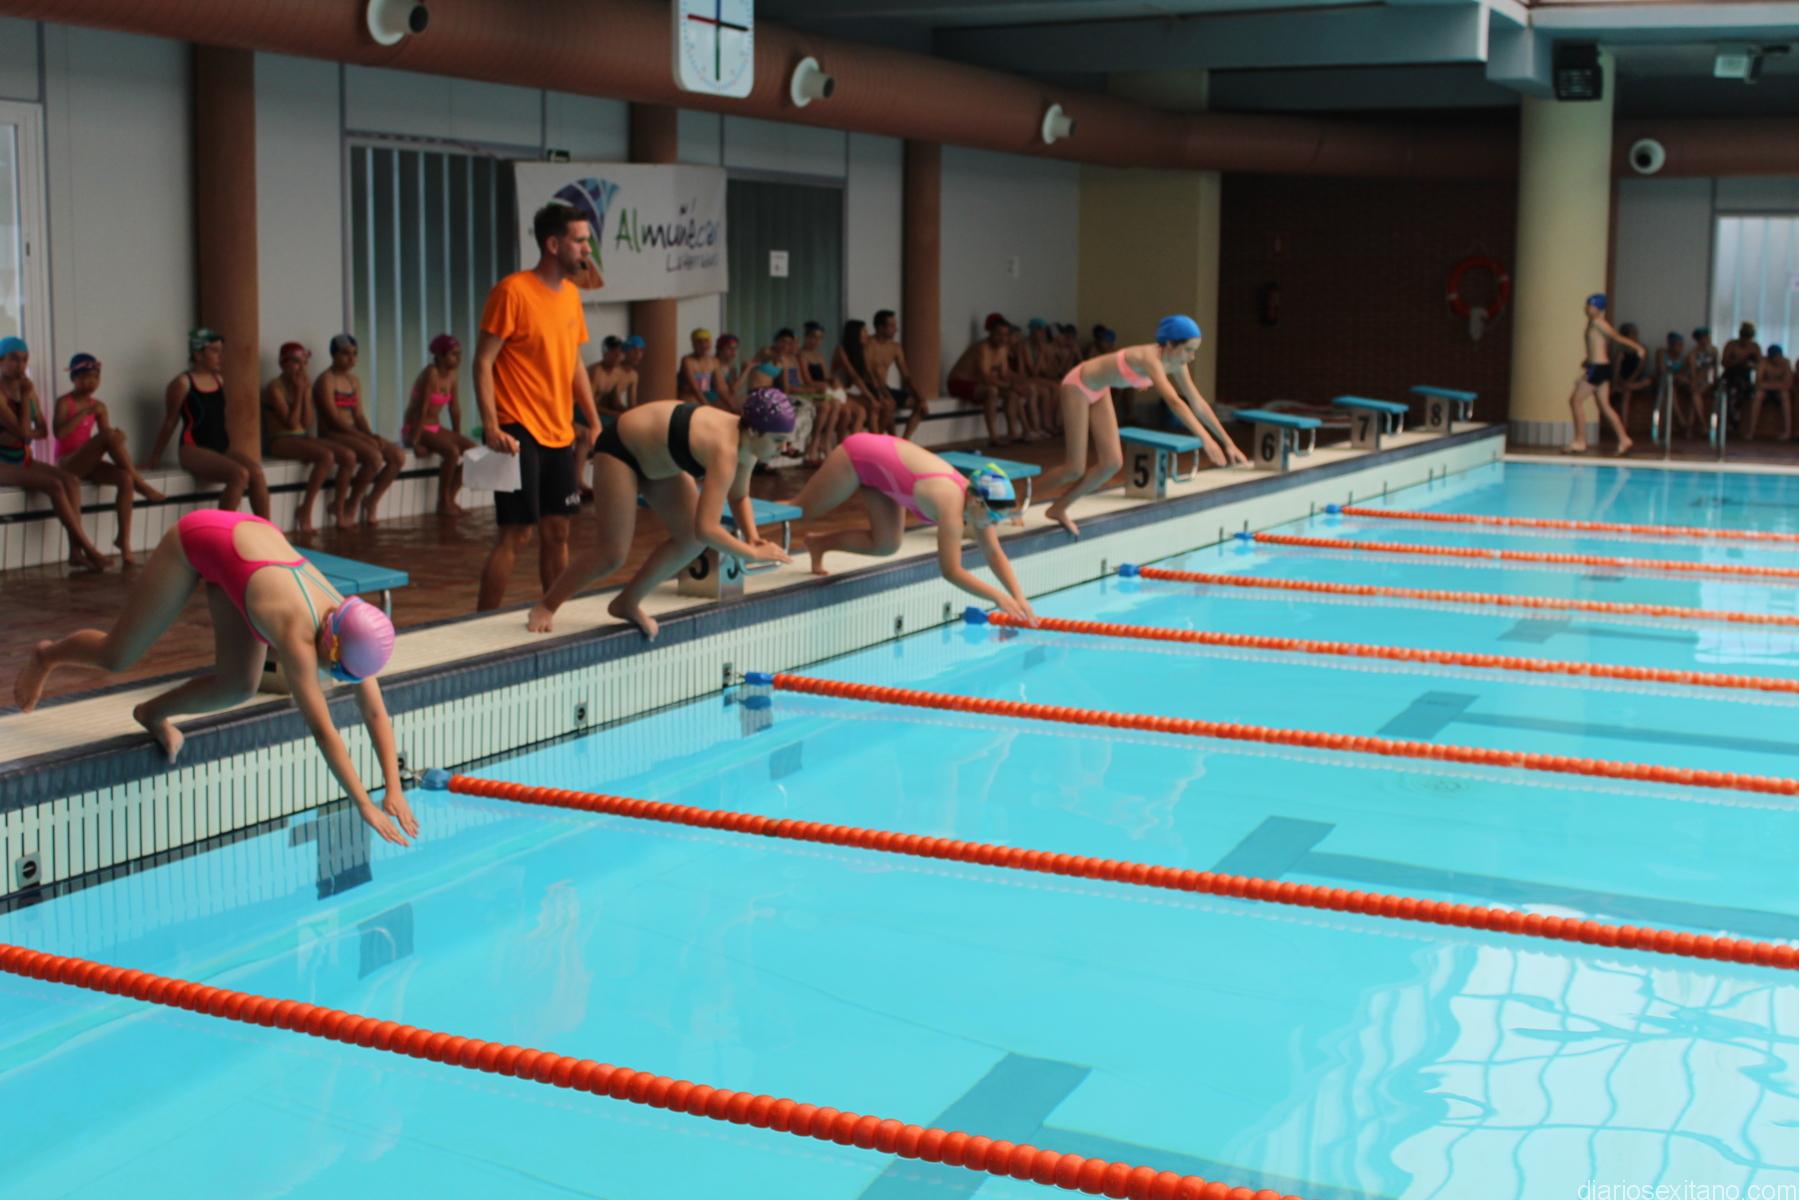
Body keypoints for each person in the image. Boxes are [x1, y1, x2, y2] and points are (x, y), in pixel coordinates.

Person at [12, 510, 417, 845]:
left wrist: (393, 787)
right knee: (117, 655)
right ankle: (47, 655)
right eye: (339, 670)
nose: (338, 676)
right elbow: (324, 732)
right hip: (199, 540)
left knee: (237, 686)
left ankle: (150, 714)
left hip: (246, 556)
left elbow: (374, 711)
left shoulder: (350, 623)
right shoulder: (298, 637)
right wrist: (363, 803)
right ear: (332, 647)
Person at [527, 390, 796, 637]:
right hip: (621, 451)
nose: (782, 448)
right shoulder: (725, 451)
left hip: (660, 462)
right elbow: (708, 528)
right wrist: (752, 554)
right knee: (611, 555)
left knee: (691, 540)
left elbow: (739, 497)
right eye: (778, 441)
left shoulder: (748, 446)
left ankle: (627, 602)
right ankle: (546, 605)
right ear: (754, 431)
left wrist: (753, 537)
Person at [475, 202, 600, 611]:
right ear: (553, 244)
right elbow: (483, 361)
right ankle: (479, 624)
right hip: (517, 428)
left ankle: (553, 612)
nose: (587, 249)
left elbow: (574, 363)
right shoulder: (512, 292)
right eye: (580, 240)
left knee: (558, 531)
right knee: (517, 532)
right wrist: (491, 426)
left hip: (558, 431)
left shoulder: (571, 296)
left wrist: (593, 420)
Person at [792, 434, 1035, 623]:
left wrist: (1019, 597)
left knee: (886, 544)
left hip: (882, 473)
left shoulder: (975, 502)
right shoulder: (951, 505)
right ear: (977, 501)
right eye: (993, 517)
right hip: (859, 455)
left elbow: (993, 552)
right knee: (799, 511)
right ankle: (766, 530)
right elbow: (951, 571)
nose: (994, 524)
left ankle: (818, 544)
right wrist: (998, 597)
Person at [1044, 315, 1246, 537]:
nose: (1192, 356)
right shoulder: (1150, 358)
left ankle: (1058, 508)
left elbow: (1198, 402)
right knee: (1074, 469)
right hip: (1078, 386)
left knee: (1111, 464)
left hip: (1100, 390)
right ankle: (1015, 503)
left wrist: (1227, 442)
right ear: (1170, 344)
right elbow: (1174, 402)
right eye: (1188, 350)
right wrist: (1206, 440)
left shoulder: (1177, 363)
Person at [0, 337, 113, 572]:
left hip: (22, 457)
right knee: (55, 484)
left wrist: (25, 430)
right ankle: (89, 548)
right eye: (14, 359)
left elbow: (42, 431)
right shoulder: (9, 394)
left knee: (71, 481)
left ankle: (75, 552)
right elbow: (24, 432)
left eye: (24, 360)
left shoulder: (28, 390)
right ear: (1, 361)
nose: (21, 365)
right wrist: (25, 402)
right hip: (3, 463)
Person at [53, 352, 166, 564]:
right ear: (73, 379)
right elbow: (60, 433)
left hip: (88, 463)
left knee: (125, 478)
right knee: (109, 436)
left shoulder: (99, 406)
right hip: (67, 463)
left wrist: (118, 437)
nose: (91, 382)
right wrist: (84, 413)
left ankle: (123, 541)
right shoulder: (65, 403)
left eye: (95, 377)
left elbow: (108, 440)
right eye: (85, 377)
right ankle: (141, 484)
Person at [149, 329, 271, 518]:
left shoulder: (218, 380)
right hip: (193, 449)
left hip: (220, 449)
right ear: (198, 354)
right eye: (214, 351)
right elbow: (170, 421)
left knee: (256, 472)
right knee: (239, 474)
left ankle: (268, 529)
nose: (220, 356)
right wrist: (155, 457)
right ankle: (221, 530)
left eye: (221, 351)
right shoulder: (182, 383)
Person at [262, 342, 355, 534]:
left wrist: (304, 393)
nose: (302, 368)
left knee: (348, 456)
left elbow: (306, 423)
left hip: (301, 437)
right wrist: (299, 393)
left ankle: (337, 506)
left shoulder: (304, 385)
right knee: (326, 456)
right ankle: (305, 509)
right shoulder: (274, 388)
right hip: (280, 441)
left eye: (304, 363)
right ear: (283, 364)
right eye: (296, 362)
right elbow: (291, 423)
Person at [313, 334, 405, 525]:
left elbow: (359, 415)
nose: (351, 359)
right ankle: (352, 503)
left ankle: (371, 501)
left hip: (353, 432)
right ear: (334, 355)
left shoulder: (353, 381)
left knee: (398, 456)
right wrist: (365, 438)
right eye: (346, 354)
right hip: (332, 433)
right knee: (374, 457)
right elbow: (333, 420)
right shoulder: (325, 380)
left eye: (354, 354)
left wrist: (370, 435)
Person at [402, 334, 478, 515]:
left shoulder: (452, 376)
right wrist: (415, 441)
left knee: (474, 452)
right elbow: (421, 409)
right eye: (453, 354)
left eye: (459, 354)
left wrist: (458, 436)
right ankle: (443, 501)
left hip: (434, 428)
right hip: (416, 427)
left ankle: (449, 498)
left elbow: (454, 409)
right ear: (440, 355)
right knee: (452, 452)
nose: (458, 358)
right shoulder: (431, 373)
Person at [1563, 294, 1643, 456]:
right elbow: (1596, 346)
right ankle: (1624, 439)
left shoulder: (1599, 323)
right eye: (1587, 305)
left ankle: (1580, 441)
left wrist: (1637, 347)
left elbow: (1617, 337)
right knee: (1605, 406)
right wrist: (1587, 360)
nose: (1587, 308)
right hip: (1599, 367)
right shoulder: (1593, 323)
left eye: (1590, 305)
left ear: (1598, 308)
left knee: (1575, 401)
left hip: (1598, 368)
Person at [947, 313, 1030, 446]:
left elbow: (1005, 373)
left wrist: (1023, 383)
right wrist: (1010, 385)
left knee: (1013, 394)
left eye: (1006, 335)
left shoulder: (1003, 348)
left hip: (978, 383)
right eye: (999, 334)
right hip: (958, 383)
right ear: (990, 333)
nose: (1003, 338)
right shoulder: (982, 348)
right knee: (992, 391)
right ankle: (993, 437)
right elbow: (985, 377)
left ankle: (1012, 433)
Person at [867, 310, 923, 439]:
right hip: (872, 388)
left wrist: (920, 396)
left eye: (895, 325)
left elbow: (906, 376)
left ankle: (904, 440)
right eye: (891, 326)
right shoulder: (869, 345)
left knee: (921, 406)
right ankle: (882, 440)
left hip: (886, 388)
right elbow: (871, 375)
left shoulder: (895, 347)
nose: (896, 329)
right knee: (889, 404)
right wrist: (885, 395)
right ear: (880, 327)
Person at [834, 319, 889, 435]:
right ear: (855, 333)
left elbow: (869, 375)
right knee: (869, 407)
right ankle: (862, 441)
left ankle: (876, 438)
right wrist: (871, 398)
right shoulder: (841, 351)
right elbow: (854, 377)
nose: (867, 334)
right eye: (864, 331)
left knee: (882, 406)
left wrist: (879, 396)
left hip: (850, 392)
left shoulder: (861, 351)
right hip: (838, 391)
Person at [1719, 321, 1763, 432]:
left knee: (1745, 393)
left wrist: (1750, 364)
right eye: (1744, 336)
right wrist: (1738, 361)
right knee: (1730, 393)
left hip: (1745, 377)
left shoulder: (1755, 347)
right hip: (1730, 375)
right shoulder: (1731, 345)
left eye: (1748, 337)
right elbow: (1724, 362)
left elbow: (1759, 365)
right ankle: (1730, 421)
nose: (1746, 340)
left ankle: (1742, 423)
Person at [1611, 322, 1652, 437]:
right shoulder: (1621, 353)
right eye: (1632, 334)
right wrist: (1618, 382)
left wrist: (1629, 381)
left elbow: (1640, 369)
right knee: (1627, 393)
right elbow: (1616, 371)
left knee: (1645, 382)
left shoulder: (1641, 349)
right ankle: (1624, 426)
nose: (1635, 336)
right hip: (1624, 382)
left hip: (1637, 381)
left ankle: (1623, 427)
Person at [1658, 331, 1699, 436]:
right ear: (1671, 345)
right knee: (1671, 391)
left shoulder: (1684, 357)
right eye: (1679, 345)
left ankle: (1691, 426)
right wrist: (1676, 377)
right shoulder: (1662, 353)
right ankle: (1681, 421)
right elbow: (1662, 371)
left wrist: (1686, 378)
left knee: (1694, 392)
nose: (1681, 348)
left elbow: (1689, 375)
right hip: (1664, 382)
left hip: (1677, 382)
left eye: (1682, 345)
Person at [1750, 343, 1792, 442]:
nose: (1777, 359)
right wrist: (1776, 384)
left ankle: (1787, 432)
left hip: (1778, 391)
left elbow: (1788, 384)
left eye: (1779, 357)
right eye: (1775, 357)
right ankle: (1751, 431)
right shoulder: (1763, 362)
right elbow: (1758, 383)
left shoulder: (1786, 363)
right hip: (1765, 391)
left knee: (1785, 396)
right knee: (1758, 395)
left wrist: (1770, 384)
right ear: (1770, 357)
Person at [679, 328, 722, 406]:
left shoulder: (714, 361)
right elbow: (695, 388)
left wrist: (733, 406)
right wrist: (708, 407)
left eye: (706, 341)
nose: (703, 345)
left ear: (710, 343)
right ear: (693, 344)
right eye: (699, 342)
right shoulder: (688, 361)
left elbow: (721, 388)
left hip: (704, 402)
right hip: (688, 403)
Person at [714, 334, 747, 414]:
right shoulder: (713, 364)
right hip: (713, 401)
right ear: (720, 349)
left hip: (726, 402)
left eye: (735, 349)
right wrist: (746, 370)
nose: (733, 352)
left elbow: (734, 390)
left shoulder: (732, 368)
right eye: (730, 348)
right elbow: (731, 390)